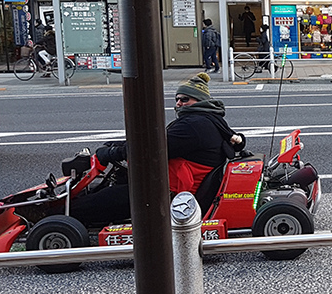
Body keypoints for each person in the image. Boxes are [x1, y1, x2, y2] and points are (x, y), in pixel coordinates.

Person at [70, 73, 246, 227]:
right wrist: (116, 145)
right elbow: (153, 142)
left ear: (200, 100)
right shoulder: (209, 120)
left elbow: (149, 149)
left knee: (98, 201)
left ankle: (63, 216)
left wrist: (110, 153)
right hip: (171, 186)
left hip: (168, 195)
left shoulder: (193, 126)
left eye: (185, 99)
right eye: (177, 99)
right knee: (115, 184)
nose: (179, 103)